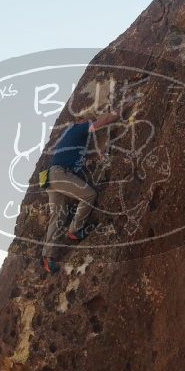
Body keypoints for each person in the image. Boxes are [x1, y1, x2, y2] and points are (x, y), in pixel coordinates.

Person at [42, 110, 120, 273]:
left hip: (52, 177)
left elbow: (81, 157)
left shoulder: (72, 138)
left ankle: (48, 258)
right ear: (80, 121)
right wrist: (119, 111)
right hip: (60, 174)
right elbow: (101, 122)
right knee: (89, 195)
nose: (90, 122)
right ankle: (75, 230)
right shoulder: (78, 128)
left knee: (59, 215)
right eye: (88, 120)